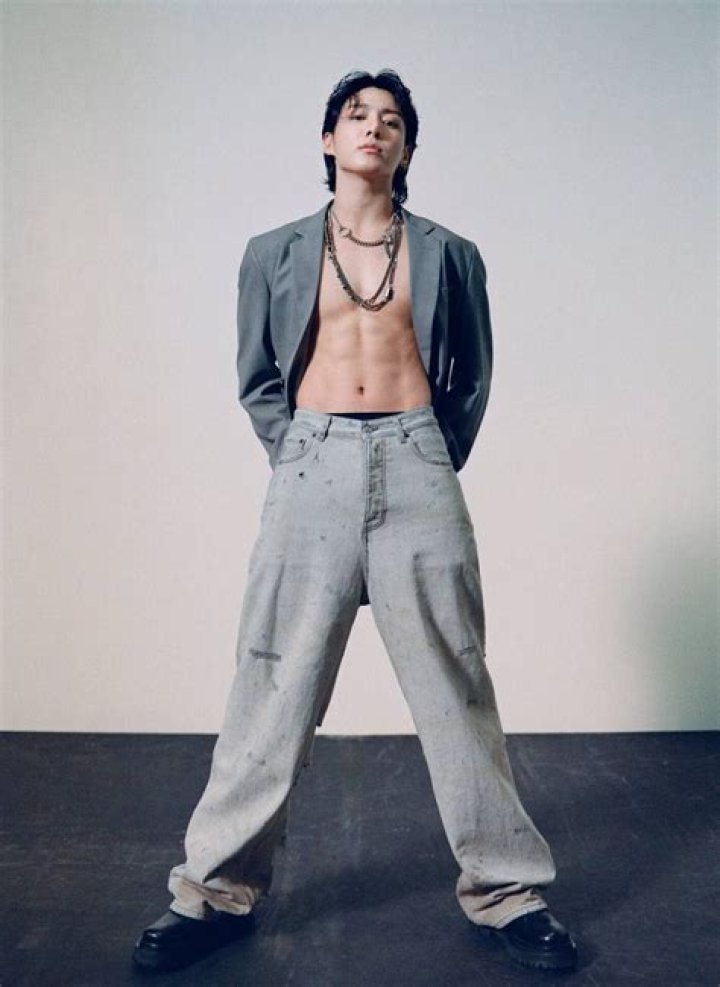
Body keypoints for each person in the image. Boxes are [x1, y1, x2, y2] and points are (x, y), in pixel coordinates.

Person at [132, 68, 578, 974]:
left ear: (407, 147)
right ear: (328, 139)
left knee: (456, 680)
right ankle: (213, 890)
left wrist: (428, 452)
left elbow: (472, 377)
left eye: (392, 120)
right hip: (313, 461)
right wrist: (302, 450)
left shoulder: (451, 253)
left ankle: (507, 891)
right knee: (272, 679)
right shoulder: (274, 250)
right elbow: (257, 376)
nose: (374, 127)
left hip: (417, 458)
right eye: (356, 115)